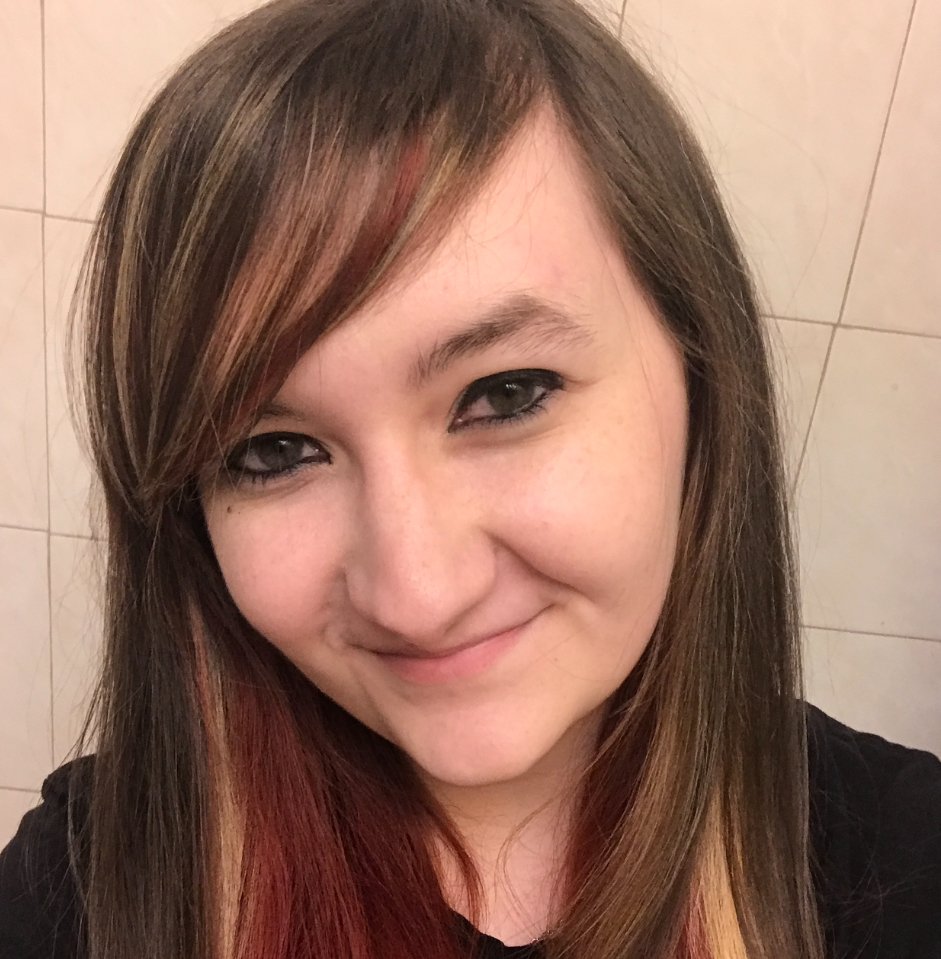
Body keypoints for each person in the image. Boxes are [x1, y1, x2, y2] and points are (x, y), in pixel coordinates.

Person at [1, 0, 939, 956]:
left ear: (701, 378)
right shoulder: (86, 886)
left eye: (505, 392)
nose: (417, 594)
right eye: (271, 451)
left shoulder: (900, 857)